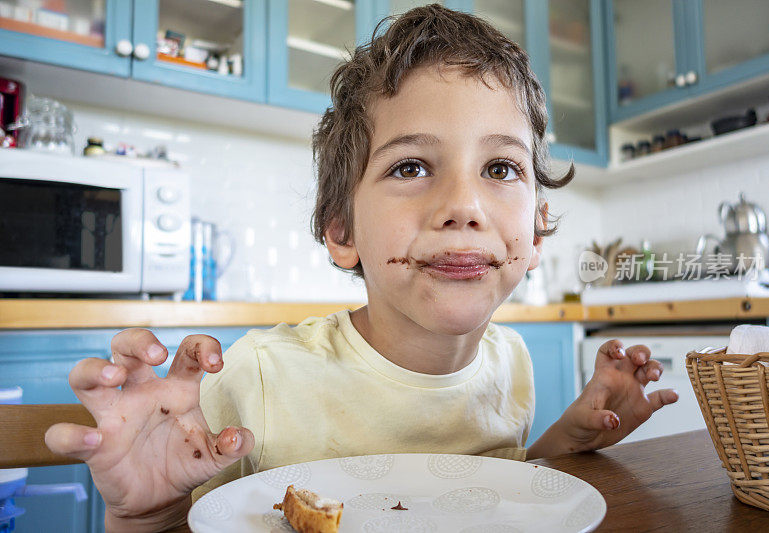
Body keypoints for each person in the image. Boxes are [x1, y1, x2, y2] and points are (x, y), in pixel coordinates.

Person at [44, 5, 678, 531]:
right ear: (343, 232)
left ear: (536, 231)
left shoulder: (511, 361)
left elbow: (483, 495)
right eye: (410, 167)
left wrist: (565, 439)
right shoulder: (260, 377)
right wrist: (148, 515)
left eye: (501, 169)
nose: (464, 206)